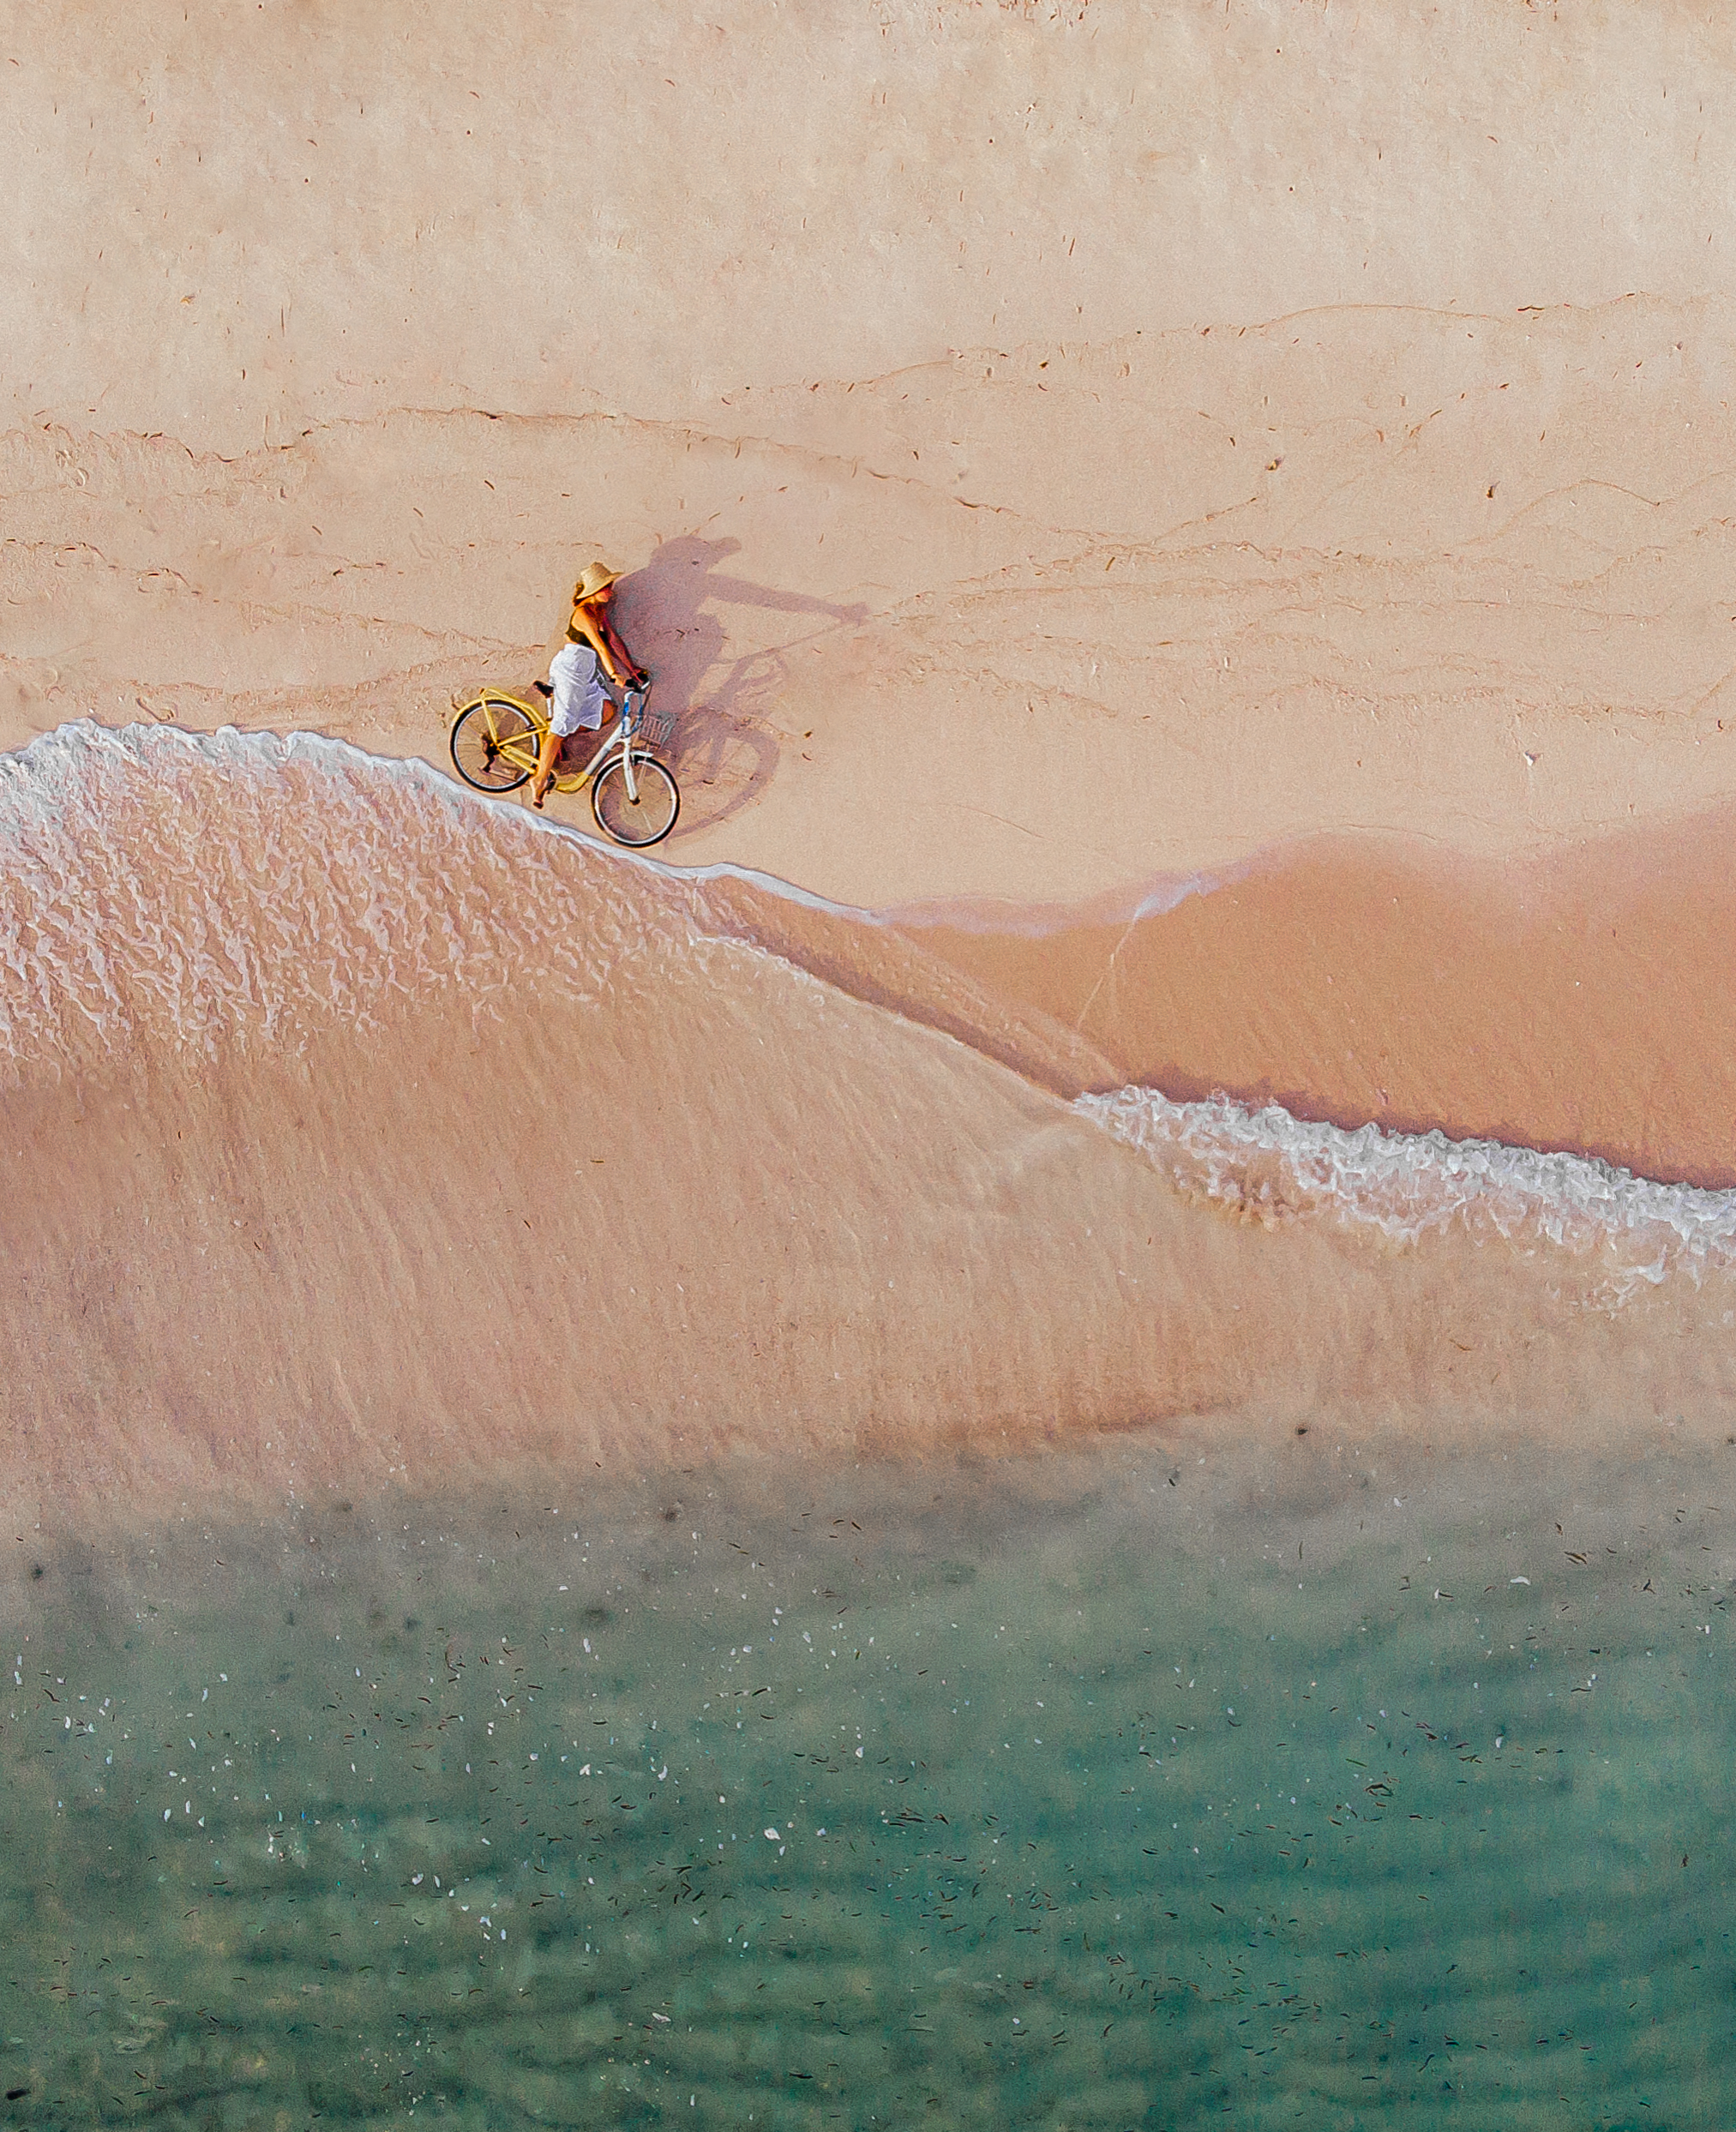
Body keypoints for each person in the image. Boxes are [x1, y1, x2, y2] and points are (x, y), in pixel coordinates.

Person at [530, 562, 647, 808]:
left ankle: (554, 737)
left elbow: (613, 641)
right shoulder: (583, 613)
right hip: (571, 668)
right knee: (562, 725)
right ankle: (539, 781)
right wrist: (615, 673)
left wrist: (632, 668)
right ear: (593, 590)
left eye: (611, 585)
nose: (611, 591)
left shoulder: (599, 611)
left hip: (586, 670)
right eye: (606, 587)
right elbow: (600, 644)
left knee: (606, 711)